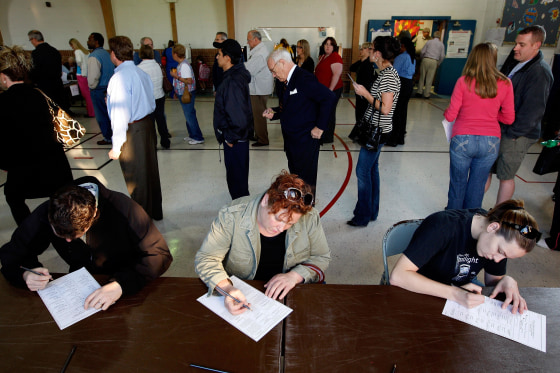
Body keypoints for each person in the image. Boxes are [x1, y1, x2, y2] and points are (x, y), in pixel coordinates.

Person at [0, 176, 173, 311]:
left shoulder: (124, 208)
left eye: (75, 236)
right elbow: (12, 254)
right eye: (58, 234)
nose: (67, 241)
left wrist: (121, 285)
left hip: (126, 283)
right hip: (79, 287)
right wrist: (25, 274)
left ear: (93, 216)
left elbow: (160, 255)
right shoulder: (48, 211)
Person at [195, 171, 331, 315]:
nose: (281, 228)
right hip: (244, 294)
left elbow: (321, 257)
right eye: (278, 219)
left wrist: (295, 276)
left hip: (290, 293)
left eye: (290, 223)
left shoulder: (309, 217)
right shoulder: (231, 216)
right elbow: (206, 258)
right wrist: (227, 289)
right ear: (266, 200)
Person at [390, 199, 541, 314]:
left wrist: (506, 280)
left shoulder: (498, 242)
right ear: (493, 227)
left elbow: (492, 281)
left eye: (505, 257)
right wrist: (456, 294)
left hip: (457, 298)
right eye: (500, 252)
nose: (497, 259)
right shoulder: (443, 225)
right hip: (418, 293)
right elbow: (398, 276)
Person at [0, 45, 73, 226]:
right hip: (57, 167)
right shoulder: (42, 95)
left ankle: (29, 232)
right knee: (58, 197)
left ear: (3, 77)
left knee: (12, 196)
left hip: (24, 169)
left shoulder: (2, 102)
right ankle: (61, 230)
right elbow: (67, 133)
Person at [487, 25, 554, 204]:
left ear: (536, 45)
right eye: (516, 43)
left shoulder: (539, 72)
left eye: (522, 45)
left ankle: (499, 215)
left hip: (517, 134)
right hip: (503, 128)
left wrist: (514, 134)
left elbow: (534, 111)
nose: (516, 48)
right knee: (487, 170)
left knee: (505, 175)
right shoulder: (518, 65)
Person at [444, 43, 515, 210]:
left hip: (462, 138)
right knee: (477, 187)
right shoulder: (505, 83)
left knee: (457, 184)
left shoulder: (463, 82)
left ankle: (452, 223)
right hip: (490, 141)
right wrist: (491, 115)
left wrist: (452, 112)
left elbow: (450, 115)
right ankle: (471, 223)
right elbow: (509, 118)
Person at [263, 49, 336, 196]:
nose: (273, 74)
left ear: (282, 63)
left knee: (306, 181)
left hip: (305, 141)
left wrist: (320, 127)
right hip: (292, 141)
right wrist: (275, 113)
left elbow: (328, 98)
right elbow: (293, 105)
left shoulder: (304, 78)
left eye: (273, 70)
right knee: (296, 178)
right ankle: (299, 207)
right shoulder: (285, 81)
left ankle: (307, 211)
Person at [106, 35, 163, 221]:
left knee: (136, 177)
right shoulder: (141, 73)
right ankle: (154, 212)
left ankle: (141, 222)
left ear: (113, 54)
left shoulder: (119, 78)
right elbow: (150, 102)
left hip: (133, 131)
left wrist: (116, 147)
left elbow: (119, 115)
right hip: (147, 125)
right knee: (150, 172)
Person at [348, 36, 401, 227]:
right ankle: (371, 211)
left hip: (378, 130)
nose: (369, 52)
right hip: (378, 128)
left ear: (378, 54)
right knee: (372, 170)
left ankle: (363, 215)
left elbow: (385, 108)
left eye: (371, 49)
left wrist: (365, 94)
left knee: (363, 171)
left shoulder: (387, 76)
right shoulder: (386, 72)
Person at [213, 39, 253, 200]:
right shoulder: (233, 76)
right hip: (236, 139)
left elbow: (238, 114)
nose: (217, 57)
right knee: (238, 179)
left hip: (235, 140)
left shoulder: (232, 81)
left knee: (237, 183)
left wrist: (230, 137)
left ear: (228, 58)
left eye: (219, 54)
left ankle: (242, 214)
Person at [137, 45, 171, 149]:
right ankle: (165, 141)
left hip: (148, 98)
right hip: (160, 96)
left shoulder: (139, 68)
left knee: (150, 122)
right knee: (160, 119)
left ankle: (152, 143)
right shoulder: (158, 65)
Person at [170, 43, 205, 145]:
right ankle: (192, 134)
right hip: (182, 92)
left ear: (176, 54)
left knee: (190, 115)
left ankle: (198, 137)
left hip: (187, 93)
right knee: (188, 114)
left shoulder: (184, 66)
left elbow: (189, 81)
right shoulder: (181, 64)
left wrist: (175, 76)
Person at [245, 30, 274, 147]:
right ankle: (258, 135)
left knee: (259, 115)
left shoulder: (260, 53)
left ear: (256, 40)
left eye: (249, 40)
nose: (247, 43)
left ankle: (263, 139)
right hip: (259, 87)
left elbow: (249, 70)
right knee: (256, 114)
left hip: (259, 89)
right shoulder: (259, 51)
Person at [27, 30, 68, 111]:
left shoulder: (35, 53)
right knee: (60, 110)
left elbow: (34, 71)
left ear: (34, 39)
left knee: (49, 111)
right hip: (57, 85)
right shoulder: (54, 51)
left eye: (30, 40)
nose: (31, 42)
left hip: (44, 86)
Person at [87, 32, 115, 145]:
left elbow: (94, 76)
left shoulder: (94, 56)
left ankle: (108, 137)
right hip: (110, 87)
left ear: (96, 41)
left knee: (101, 115)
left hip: (99, 89)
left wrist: (91, 87)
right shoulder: (107, 54)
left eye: (90, 39)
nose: (88, 41)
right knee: (111, 114)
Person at [388, 37, 416, 147]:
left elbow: (393, 72)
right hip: (409, 84)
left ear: (403, 46)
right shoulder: (411, 57)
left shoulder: (401, 57)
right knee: (403, 111)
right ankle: (400, 137)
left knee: (396, 112)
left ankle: (393, 138)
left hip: (401, 83)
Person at [315, 37, 343, 144]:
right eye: (326, 44)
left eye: (330, 44)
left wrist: (330, 91)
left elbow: (336, 75)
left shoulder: (335, 57)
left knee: (329, 112)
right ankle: (323, 133)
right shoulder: (323, 57)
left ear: (334, 47)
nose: (327, 46)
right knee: (324, 111)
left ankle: (328, 136)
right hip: (323, 90)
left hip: (332, 90)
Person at [348, 42, 376, 141]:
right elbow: (352, 68)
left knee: (362, 113)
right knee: (359, 113)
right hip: (359, 92)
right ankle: (359, 133)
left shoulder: (368, 64)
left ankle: (360, 134)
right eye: (360, 49)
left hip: (365, 93)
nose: (360, 51)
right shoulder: (362, 62)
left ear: (368, 50)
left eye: (363, 49)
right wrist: (360, 60)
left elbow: (369, 80)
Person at [69, 38, 95, 117]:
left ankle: (91, 112)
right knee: (89, 93)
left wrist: (75, 62)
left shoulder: (77, 51)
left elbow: (79, 61)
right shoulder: (86, 52)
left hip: (81, 74)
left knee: (85, 94)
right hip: (88, 74)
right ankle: (92, 110)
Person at [416, 30, 445, 99]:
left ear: (433, 36)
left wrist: (422, 58)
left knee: (422, 76)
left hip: (426, 59)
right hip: (434, 61)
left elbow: (423, 51)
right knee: (430, 78)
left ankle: (419, 92)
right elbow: (442, 55)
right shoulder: (441, 44)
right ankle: (426, 94)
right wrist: (438, 63)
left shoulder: (429, 42)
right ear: (439, 37)